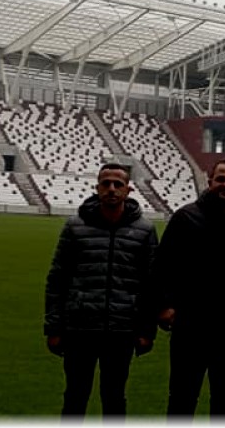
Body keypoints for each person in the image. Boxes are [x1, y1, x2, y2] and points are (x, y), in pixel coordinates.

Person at [152, 158, 225, 419]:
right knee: (182, 395)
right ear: (210, 182)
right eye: (221, 179)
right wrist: (164, 305)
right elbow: (162, 265)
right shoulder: (186, 217)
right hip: (190, 323)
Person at [44, 163, 158, 419]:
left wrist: (146, 330)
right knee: (75, 395)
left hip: (121, 330)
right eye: (106, 183)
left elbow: (151, 284)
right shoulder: (75, 227)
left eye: (118, 184)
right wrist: (53, 327)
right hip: (79, 327)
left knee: (114, 396)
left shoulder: (145, 230)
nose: (111, 189)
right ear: (96, 188)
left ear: (128, 190)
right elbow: (57, 279)